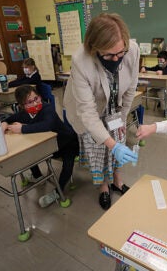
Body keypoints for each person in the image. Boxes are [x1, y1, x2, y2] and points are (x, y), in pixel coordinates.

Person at [63, 13, 138, 210]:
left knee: (118, 140)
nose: (116, 59)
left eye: (120, 53)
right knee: (98, 148)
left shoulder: (131, 50)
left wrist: (121, 120)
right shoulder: (81, 61)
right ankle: (103, 186)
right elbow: (87, 112)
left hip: (114, 105)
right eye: (108, 54)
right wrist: (112, 145)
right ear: (94, 48)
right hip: (90, 109)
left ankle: (117, 180)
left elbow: (130, 89)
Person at [1, 85, 79, 208]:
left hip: (67, 142)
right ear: (22, 106)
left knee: (68, 165)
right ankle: (38, 177)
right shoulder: (24, 114)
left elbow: (47, 125)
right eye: (29, 102)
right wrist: (5, 123)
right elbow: (11, 118)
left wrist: (22, 128)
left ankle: (58, 191)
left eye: (36, 98)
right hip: (48, 146)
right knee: (31, 152)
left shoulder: (47, 108)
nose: (35, 103)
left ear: (40, 97)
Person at [140, 50, 167, 116]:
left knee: (161, 92)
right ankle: (159, 102)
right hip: (159, 87)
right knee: (147, 93)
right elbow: (152, 68)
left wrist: (163, 72)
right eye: (158, 60)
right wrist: (145, 68)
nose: (159, 62)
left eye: (161, 61)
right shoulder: (158, 66)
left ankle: (166, 110)